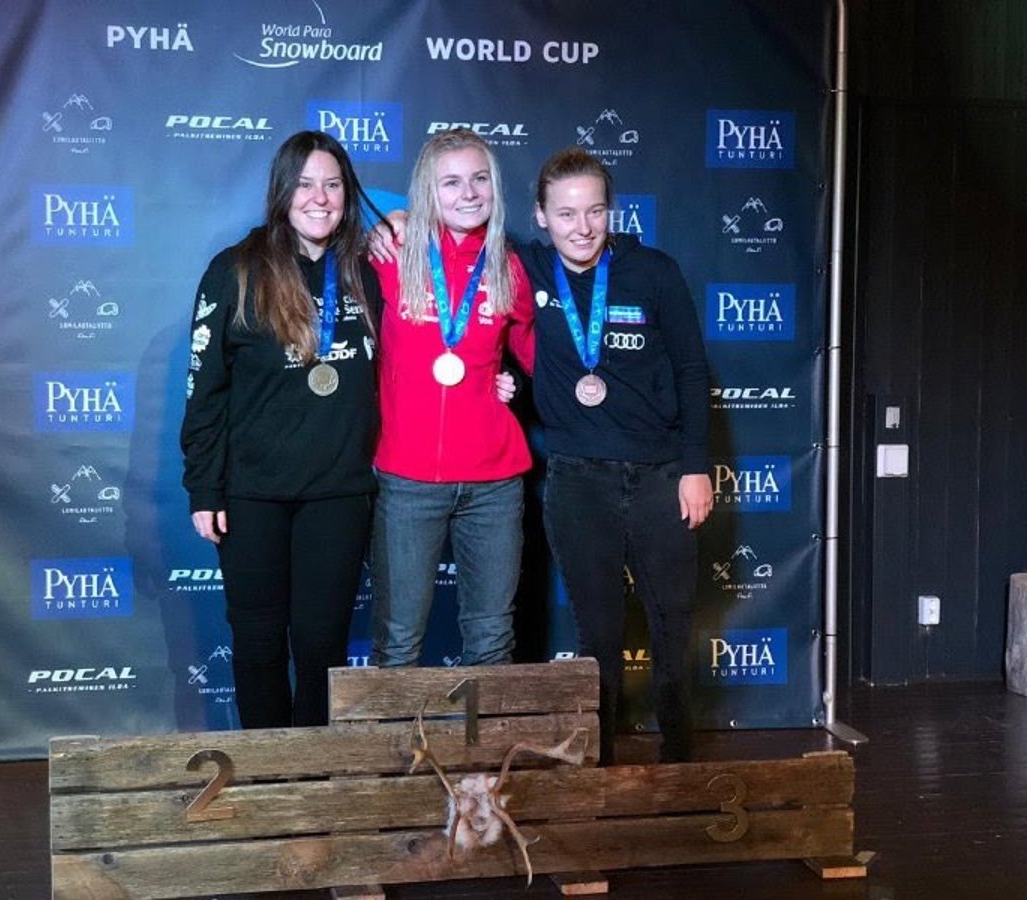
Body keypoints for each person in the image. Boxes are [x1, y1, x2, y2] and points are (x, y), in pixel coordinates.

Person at [180, 131, 384, 728]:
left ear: (347, 194)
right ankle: (268, 771)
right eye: (305, 184)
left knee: (323, 649)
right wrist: (204, 488)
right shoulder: (236, 270)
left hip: (338, 494)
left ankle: (314, 774)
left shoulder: (367, 271)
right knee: (259, 643)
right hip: (252, 495)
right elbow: (205, 388)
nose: (319, 198)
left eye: (332, 185)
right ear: (281, 191)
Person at [522, 147, 712, 764]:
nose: (582, 228)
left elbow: (691, 370)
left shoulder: (653, 271)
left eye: (595, 211)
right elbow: (452, 250)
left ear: (611, 210)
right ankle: (599, 763)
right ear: (541, 216)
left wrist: (695, 467)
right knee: (597, 632)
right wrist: (398, 223)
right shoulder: (526, 269)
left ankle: (678, 759)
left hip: (660, 474)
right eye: (566, 213)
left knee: (671, 622)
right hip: (578, 481)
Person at [368, 128, 535, 668]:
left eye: (479, 179)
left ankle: (484, 734)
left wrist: (514, 382)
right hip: (407, 480)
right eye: (452, 182)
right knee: (398, 641)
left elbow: (540, 360)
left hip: (494, 483)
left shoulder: (510, 267)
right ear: (427, 191)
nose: (469, 193)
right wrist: (390, 222)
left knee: (492, 639)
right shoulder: (391, 252)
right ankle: (393, 733)